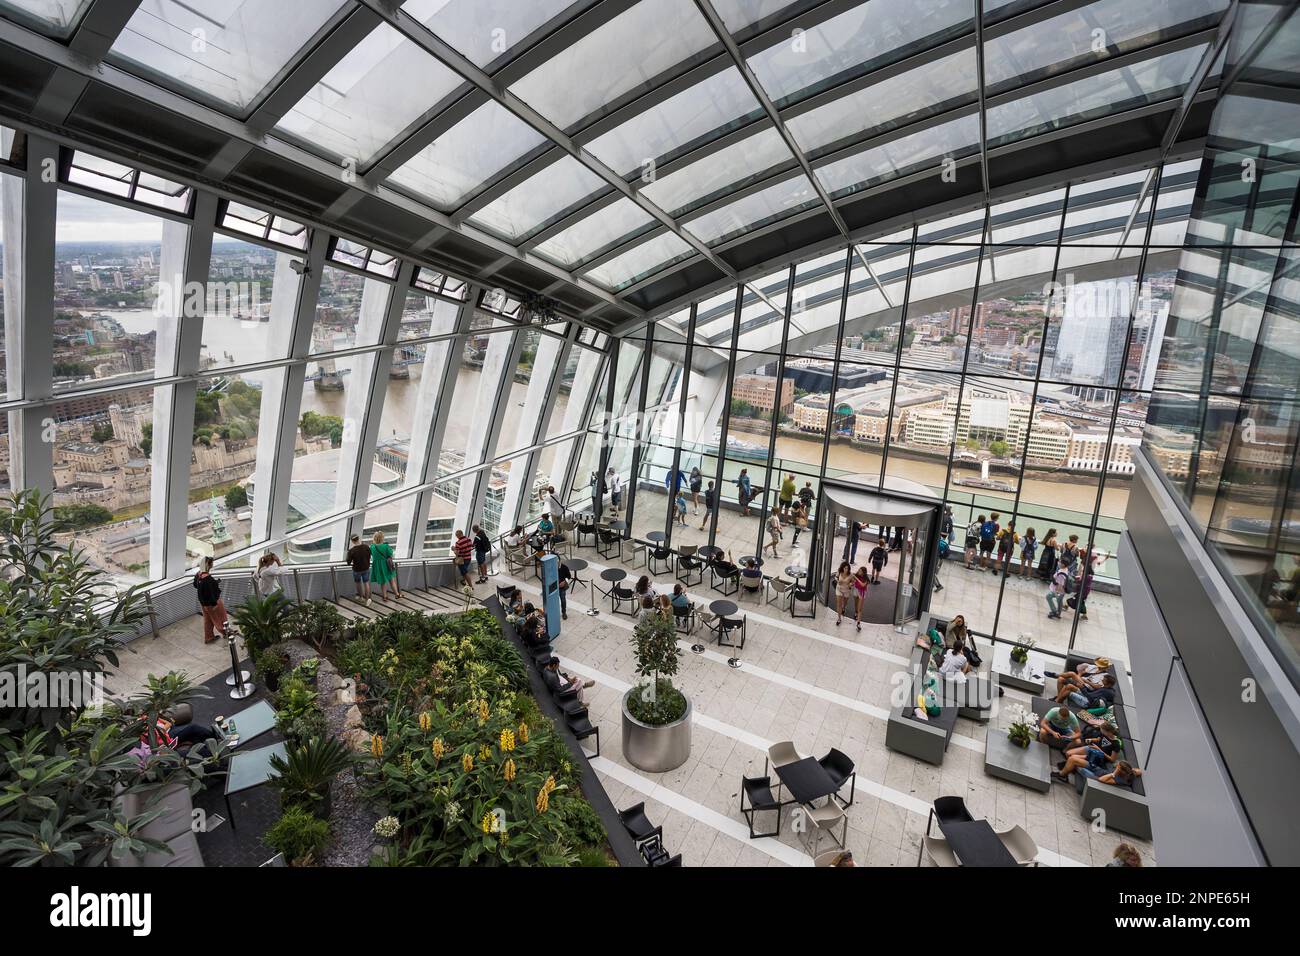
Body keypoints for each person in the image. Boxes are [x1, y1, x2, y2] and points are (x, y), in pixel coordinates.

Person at [1055, 722, 1122, 782]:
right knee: (1068, 753)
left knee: (1072, 758)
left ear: (1109, 732)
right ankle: (1070, 769)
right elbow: (1099, 739)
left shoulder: (1116, 744)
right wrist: (1091, 740)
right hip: (1092, 748)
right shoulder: (1104, 734)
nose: (1101, 732)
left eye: (1103, 731)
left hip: (1098, 757)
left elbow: (1112, 759)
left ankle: (1065, 773)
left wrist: (1099, 749)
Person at [192, 557, 228, 644]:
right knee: (220, 619)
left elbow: (195, 585)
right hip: (213, 603)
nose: (212, 564)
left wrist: (214, 583)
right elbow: (210, 593)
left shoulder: (199, 575)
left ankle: (209, 637)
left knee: (208, 620)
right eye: (211, 563)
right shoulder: (208, 579)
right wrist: (214, 604)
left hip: (204, 604)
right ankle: (226, 633)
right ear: (208, 564)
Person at [370, 531, 401, 601]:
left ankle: (385, 596)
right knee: (392, 581)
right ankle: (397, 594)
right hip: (387, 565)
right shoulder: (385, 546)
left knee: (383, 582)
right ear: (382, 538)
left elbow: (372, 555)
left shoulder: (372, 547)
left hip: (378, 567)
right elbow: (390, 554)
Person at [347, 534, 372, 606]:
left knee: (358, 583)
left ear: (352, 541)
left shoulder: (352, 550)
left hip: (357, 569)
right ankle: (367, 599)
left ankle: (361, 597)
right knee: (366, 583)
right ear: (358, 539)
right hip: (366, 568)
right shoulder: (366, 547)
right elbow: (369, 555)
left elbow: (348, 562)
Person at [834, 561, 854, 626]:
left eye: (847, 568)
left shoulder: (850, 574)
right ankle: (839, 618)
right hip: (839, 589)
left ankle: (843, 608)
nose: (846, 570)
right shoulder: (839, 571)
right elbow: (836, 577)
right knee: (838, 604)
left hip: (846, 590)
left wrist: (850, 584)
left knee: (844, 603)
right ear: (842, 568)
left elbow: (853, 582)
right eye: (845, 568)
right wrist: (838, 581)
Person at [852, 565, 869, 632]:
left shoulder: (866, 579)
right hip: (855, 590)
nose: (859, 572)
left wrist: (856, 578)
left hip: (861, 593)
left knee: (860, 609)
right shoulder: (856, 576)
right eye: (859, 570)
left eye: (860, 571)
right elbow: (853, 582)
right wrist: (851, 583)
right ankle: (856, 613)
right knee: (856, 604)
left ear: (864, 573)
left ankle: (858, 623)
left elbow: (862, 585)